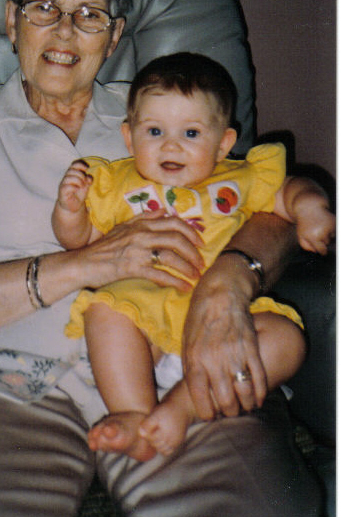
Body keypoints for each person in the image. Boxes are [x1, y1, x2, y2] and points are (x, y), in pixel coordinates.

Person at [0, 0, 329, 517]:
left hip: (175, 366)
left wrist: (228, 281)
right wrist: (90, 264)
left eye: (89, 15)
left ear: (114, 38)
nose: (64, 31)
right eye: (44, 9)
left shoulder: (164, 117)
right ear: (12, 22)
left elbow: (261, 206)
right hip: (3, 381)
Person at [52, 52, 335, 463]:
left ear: (223, 144)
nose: (171, 145)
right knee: (105, 312)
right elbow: (79, 240)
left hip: (225, 326)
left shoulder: (239, 178)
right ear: (129, 138)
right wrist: (70, 210)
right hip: (146, 313)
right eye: (154, 131)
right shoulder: (118, 183)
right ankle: (134, 414)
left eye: (190, 133)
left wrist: (310, 208)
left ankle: (180, 409)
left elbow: (288, 191)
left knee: (287, 340)